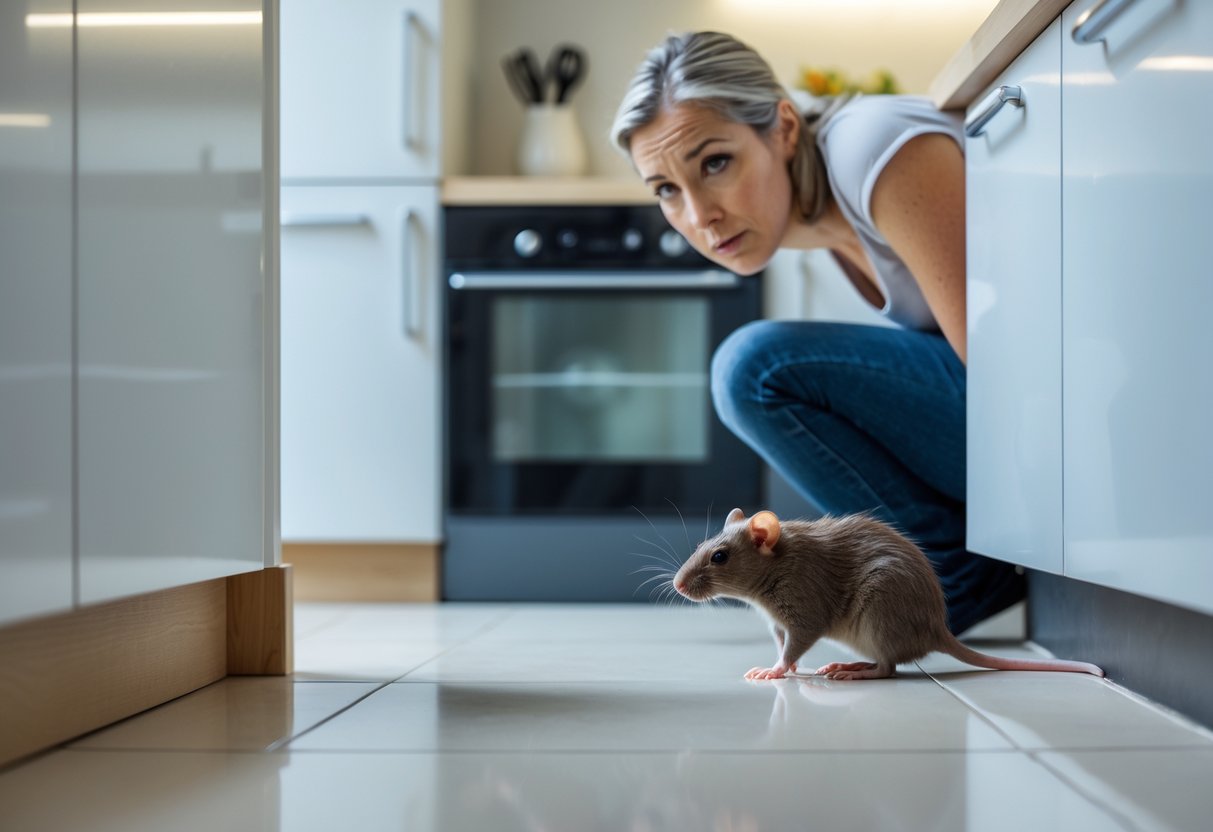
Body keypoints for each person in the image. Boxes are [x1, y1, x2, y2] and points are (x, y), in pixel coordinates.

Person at [609, 31, 1023, 635]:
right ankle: (937, 582)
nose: (699, 215)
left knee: (751, 366)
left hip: (1058, 411)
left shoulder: (873, 150)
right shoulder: (823, 215)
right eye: (668, 190)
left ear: (782, 128)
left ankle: (950, 579)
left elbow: (1005, 370)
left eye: (715, 163)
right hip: (1017, 417)